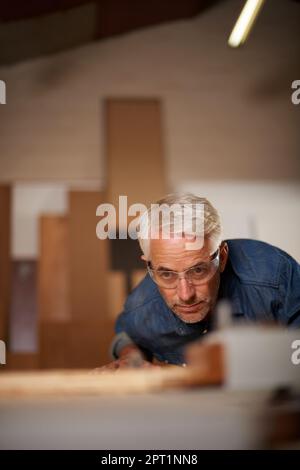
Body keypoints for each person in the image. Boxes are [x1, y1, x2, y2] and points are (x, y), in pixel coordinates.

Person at [104, 193, 300, 370]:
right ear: (149, 265)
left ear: (222, 258)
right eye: (167, 274)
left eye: (198, 270)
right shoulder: (142, 306)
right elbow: (125, 335)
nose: (185, 295)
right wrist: (131, 356)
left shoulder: (275, 276)